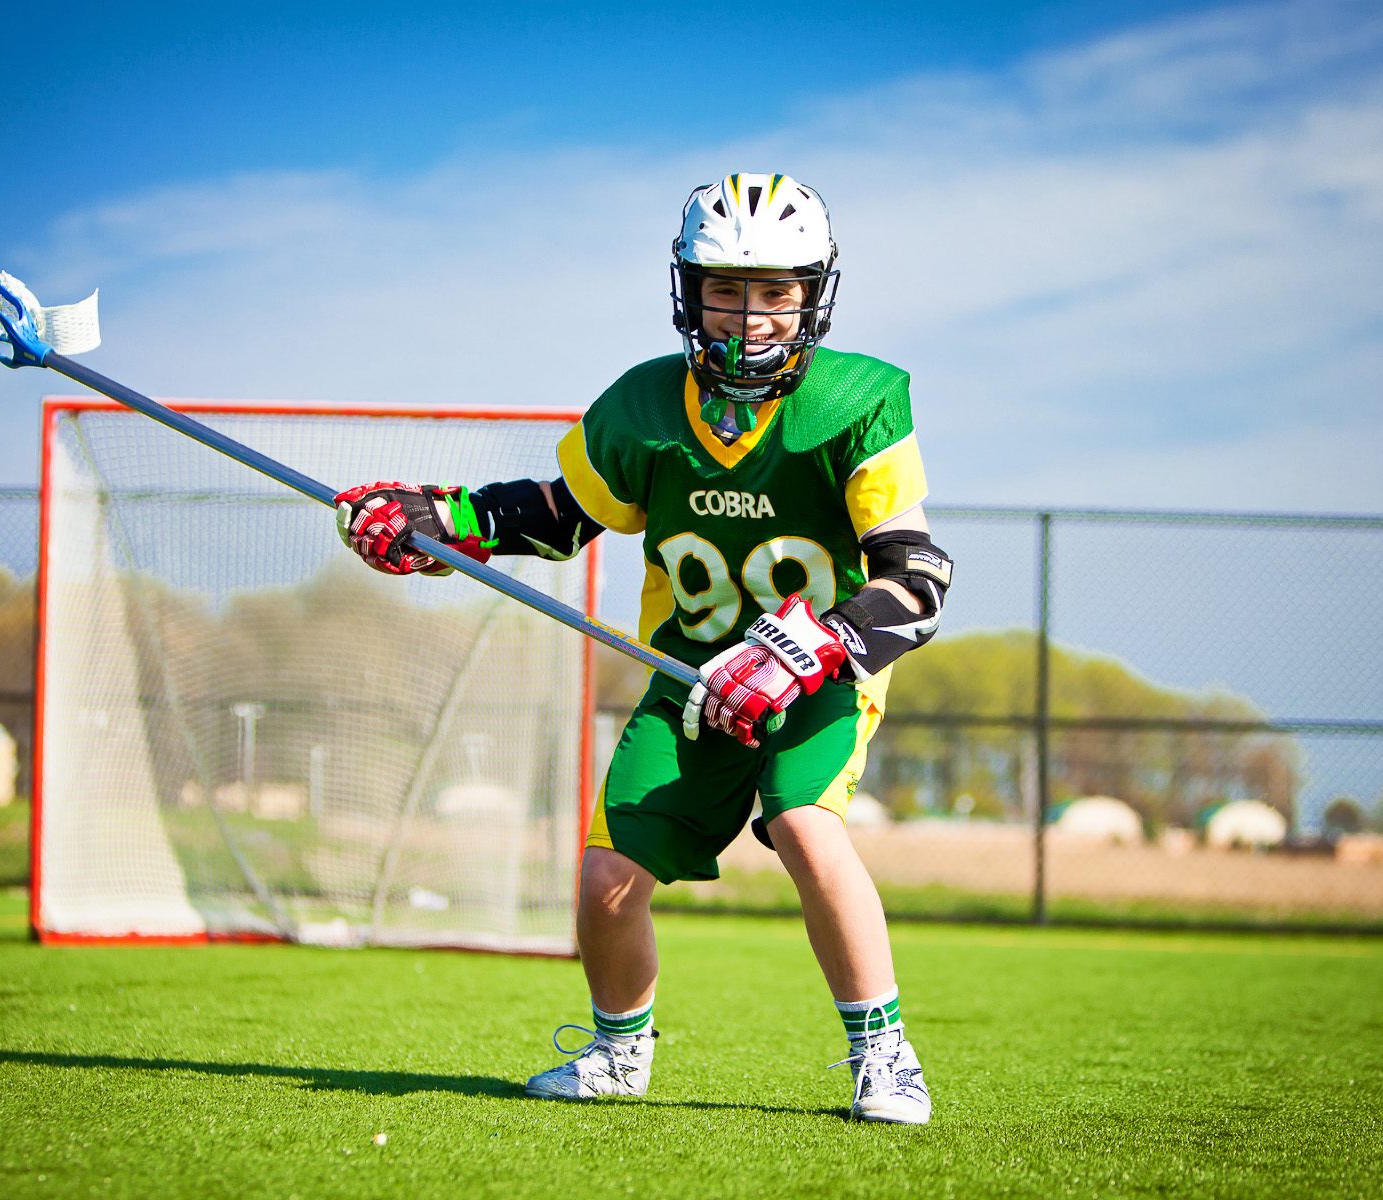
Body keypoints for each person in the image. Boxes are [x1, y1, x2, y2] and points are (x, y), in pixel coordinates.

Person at [334, 172, 951, 1125]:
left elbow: (916, 580)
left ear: (813, 295)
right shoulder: (644, 406)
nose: (750, 318)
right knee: (606, 876)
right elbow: (561, 515)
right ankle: (620, 1054)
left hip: (818, 673)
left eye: (775, 292)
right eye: (728, 290)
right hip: (691, 677)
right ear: (689, 289)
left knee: (803, 822)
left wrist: (815, 642)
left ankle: (885, 1057)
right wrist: (443, 520)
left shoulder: (860, 400)